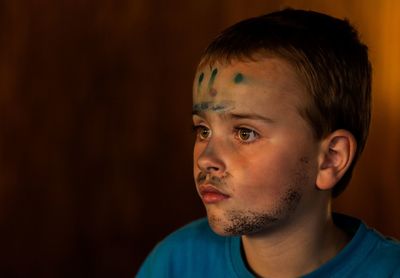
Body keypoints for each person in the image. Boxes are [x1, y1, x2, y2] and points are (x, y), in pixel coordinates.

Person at [137, 8, 400, 277]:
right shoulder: (176, 262)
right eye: (203, 130)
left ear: (331, 158)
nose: (206, 159)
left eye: (245, 133)